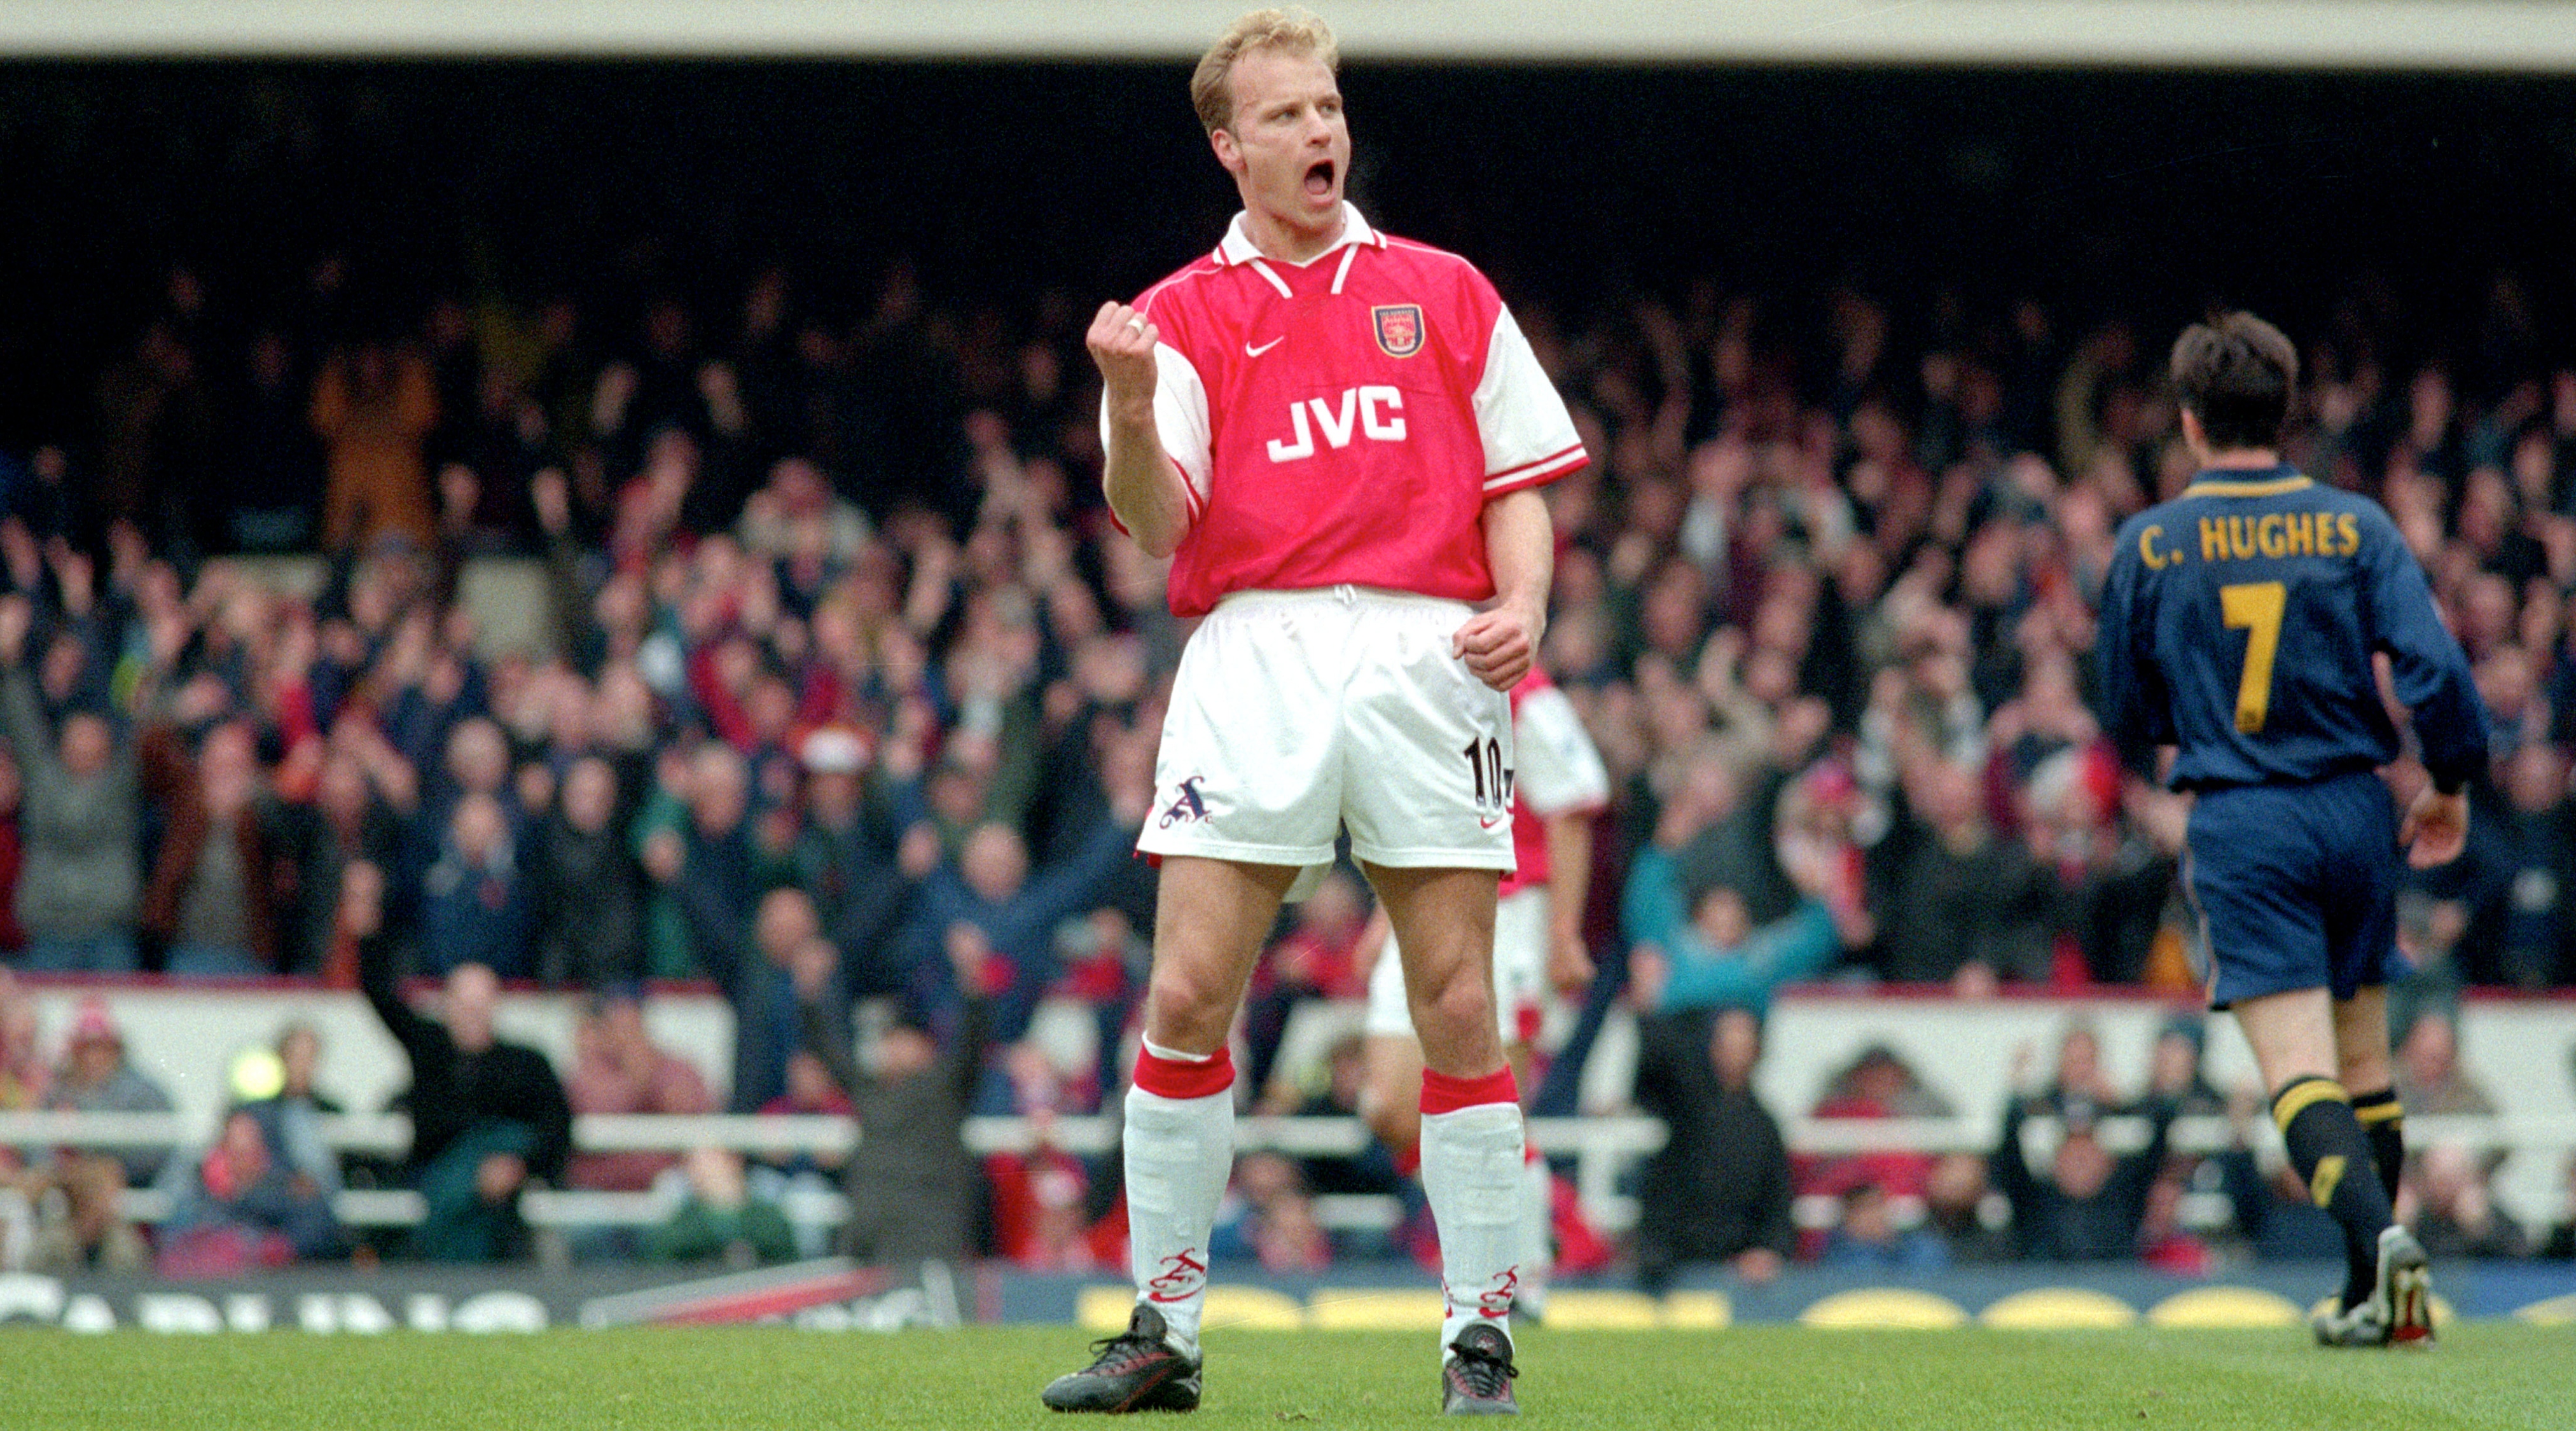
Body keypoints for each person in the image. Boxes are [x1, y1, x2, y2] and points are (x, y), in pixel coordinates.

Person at [1041, 9, 1584, 1416]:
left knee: (1460, 1000)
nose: (1319, 132)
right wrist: (1122, 404)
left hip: (1425, 652)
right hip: (1256, 649)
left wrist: (1525, 604)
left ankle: (1480, 1336)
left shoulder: (1447, 289)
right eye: (1284, 116)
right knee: (1183, 991)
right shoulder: (1179, 318)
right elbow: (1159, 522)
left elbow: (1516, 481)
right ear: (1230, 147)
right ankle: (1165, 1333)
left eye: (1329, 107)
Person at [2096, 311, 2489, 1347]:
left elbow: (2122, 711)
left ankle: (2384, 1244)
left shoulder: (2151, 542)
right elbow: (2437, 672)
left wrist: (2170, 748)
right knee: (2366, 1063)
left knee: (2296, 1074)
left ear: (2189, 423)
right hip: (2357, 809)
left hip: (2245, 816)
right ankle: (2374, 1299)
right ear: (2287, 414)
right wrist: (2448, 781)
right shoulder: (2356, 527)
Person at [1355, 663, 1610, 1317]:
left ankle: (1521, 1272)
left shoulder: (1524, 689)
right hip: (1414, 904)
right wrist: (1380, 920)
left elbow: (1575, 803)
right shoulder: (1401, 675)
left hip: (1508, 915)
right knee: (1385, 1106)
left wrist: (1562, 932)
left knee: (1495, 1106)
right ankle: (1488, 1227)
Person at [354, 881, 573, 1262]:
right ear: (447, 1004)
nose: (472, 1012)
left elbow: (557, 1127)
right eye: (464, 1003)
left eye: (481, 1003)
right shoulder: (430, 1047)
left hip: (505, 1196)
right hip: (440, 1181)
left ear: (495, 1006)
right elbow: (379, 992)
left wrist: (516, 1166)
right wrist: (368, 932)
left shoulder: (526, 1064)